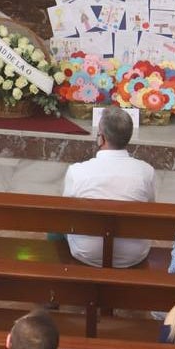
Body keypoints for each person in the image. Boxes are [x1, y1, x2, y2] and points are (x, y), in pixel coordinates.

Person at [62, 106, 155, 267]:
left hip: (86, 252)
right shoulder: (146, 171)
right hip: (133, 254)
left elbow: (66, 214)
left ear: (101, 138)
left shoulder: (77, 171)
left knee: (56, 227)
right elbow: (151, 208)